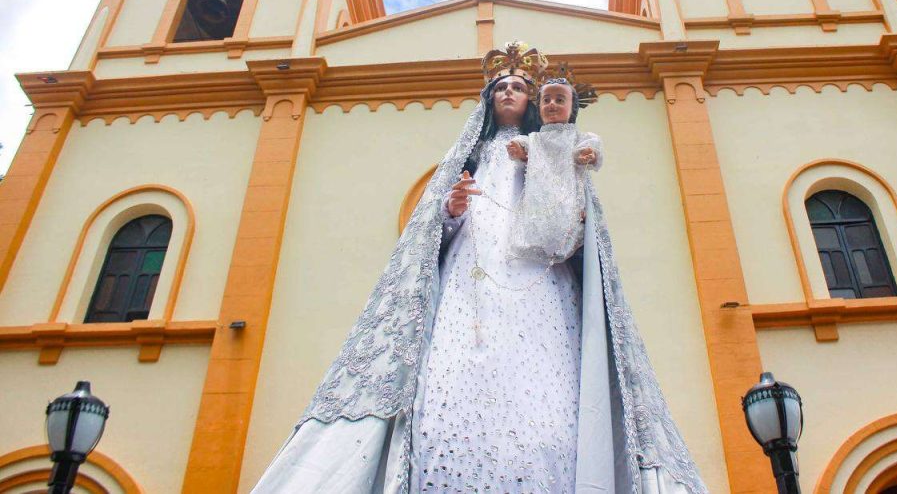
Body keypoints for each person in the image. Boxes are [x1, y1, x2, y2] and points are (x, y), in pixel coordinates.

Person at [251, 42, 708, 493]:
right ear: (488, 101)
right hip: (468, 282)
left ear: (536, 101)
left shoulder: (550, 149)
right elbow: (430, 241)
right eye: (499, 87)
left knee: (547, 399)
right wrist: (449, 210)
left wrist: (571, 197)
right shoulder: (468, 160)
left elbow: (578, 226)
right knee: (449, 394)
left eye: (518, 87)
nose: (508, 93)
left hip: (543, 282)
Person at [506, 71, 602, 267]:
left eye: (560, 100)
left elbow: (590, 149)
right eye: (546, 100)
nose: (552, 104)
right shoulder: (535, 139)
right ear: (539, 107)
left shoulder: (577, 137)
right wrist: (518, 149)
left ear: (572, 108)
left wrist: (587, 154)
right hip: (539, 201)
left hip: (569, 201)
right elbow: (524, 146)